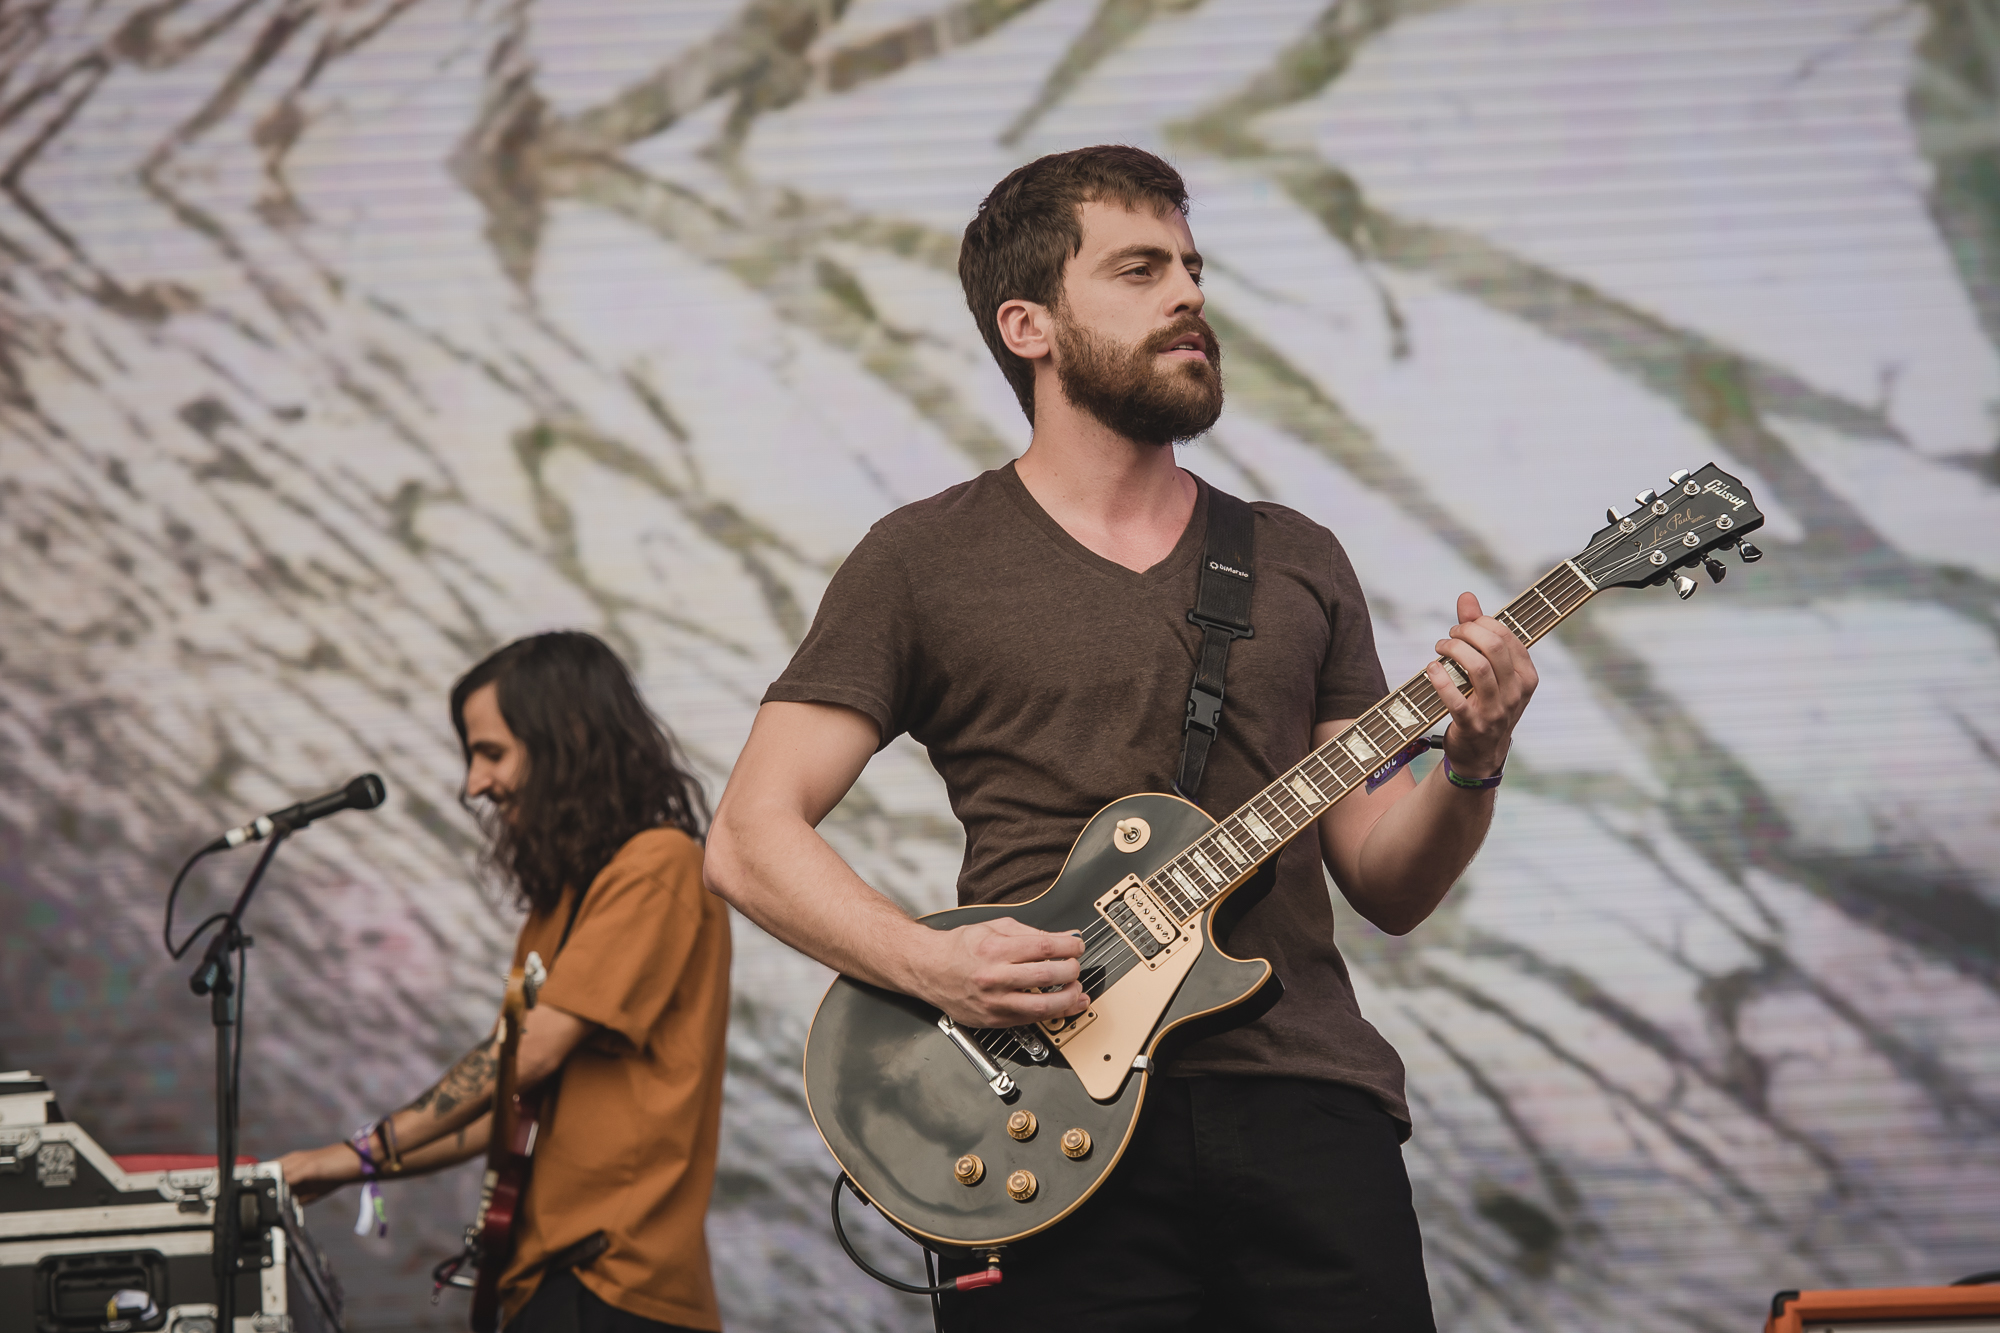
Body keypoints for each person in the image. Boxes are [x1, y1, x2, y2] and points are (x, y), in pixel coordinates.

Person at [703, 146, 1537, 1330]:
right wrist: (927, 961)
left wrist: (1472, 760)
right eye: (1140, 269)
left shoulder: (1294, 557)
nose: (1188, 295)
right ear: (1028, 325)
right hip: (1035, 1130)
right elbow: (745, 837)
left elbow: (1385, 882)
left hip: (1302, 1102)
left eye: (1190, 267)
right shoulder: (919, 558)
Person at [278, 632, 730, 1333]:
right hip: (545, 1284)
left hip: (614, 1286)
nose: (473, 784)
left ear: (567, 740)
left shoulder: (659, 864)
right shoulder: (555, 908)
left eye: (491, 752)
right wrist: (344, 1166)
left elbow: (527, 1054)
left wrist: (367, 1147)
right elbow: (504, 1108)